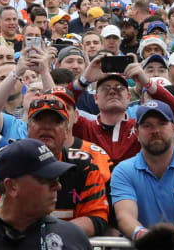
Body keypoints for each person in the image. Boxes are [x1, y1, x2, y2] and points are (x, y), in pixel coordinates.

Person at [111, 100, 174, 243]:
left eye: (162, 124)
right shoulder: (123, 171)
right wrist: (147, 238)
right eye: (147, 125)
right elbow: (125, 217)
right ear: (137, 133)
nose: (155, 131)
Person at [16, 92, 108, 236]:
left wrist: (49, 236)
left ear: (67, 131)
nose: (47, 127)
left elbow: (97, 218)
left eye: (56, 121)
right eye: (39, 120)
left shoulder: (85, 164)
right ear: (27, 128)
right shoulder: (6, 161)